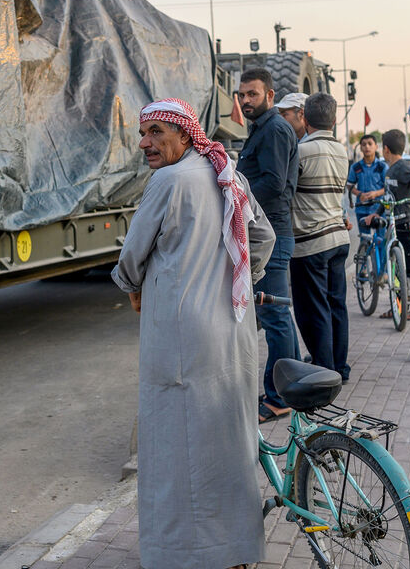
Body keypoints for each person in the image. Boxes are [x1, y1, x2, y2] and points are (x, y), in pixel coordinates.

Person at [112, 98, 275, 569]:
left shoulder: (169, 181)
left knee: (176, 452)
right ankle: (237, 552)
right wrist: (240, 279)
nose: (146, 143)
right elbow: (262, 238)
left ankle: (183, 556)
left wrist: (131, 287)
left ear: (185, 135)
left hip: (181, 336)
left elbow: (131, 257)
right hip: (234, 333)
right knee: (231, 441)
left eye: (157, 132)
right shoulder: (227, 172)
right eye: (143, 133)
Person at [235, 68, 301, 422]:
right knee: (277, 316)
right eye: (242, 95)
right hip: (269, 230)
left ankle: (280, 397)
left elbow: (274, 184)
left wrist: (234, 197)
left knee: (275, 316)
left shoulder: (274, 129)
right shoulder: (263, 129)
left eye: (253, 94)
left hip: (272, 232)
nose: (246, 100)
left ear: (270, 96)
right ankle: (287, 385)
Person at [289, 93, 353, 381]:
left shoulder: (300, 152)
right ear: (335, 119)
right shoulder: (341, 151)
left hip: (311, 243)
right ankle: (340, 365)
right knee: (336, 304)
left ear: (304, 117)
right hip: (339, 239)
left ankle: (325, 370)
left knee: (314, 309)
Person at [373, 128, 410, 321]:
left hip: (406, 223)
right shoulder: (390, 170)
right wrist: (376, 213)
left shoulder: (403, 167)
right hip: (393, 223)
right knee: (394, 268)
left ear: (385, 149)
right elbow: (388, 197)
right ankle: (398, 306)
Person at [347, 134, 388, 273]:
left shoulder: (382, 167)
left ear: (376, 146)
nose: (367, 147)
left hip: (378, 210)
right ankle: (363, 268)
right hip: (362, 210)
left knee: (381, 240)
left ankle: (382, 272)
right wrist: (359, 194)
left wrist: (376, 193)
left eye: (370, 144)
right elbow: (349, 185)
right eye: (363, 144)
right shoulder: (356, 167)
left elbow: (388, 187)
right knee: (364, 240)